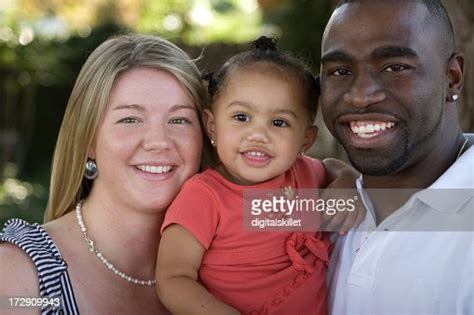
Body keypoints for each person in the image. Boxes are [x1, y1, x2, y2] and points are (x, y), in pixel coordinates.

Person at [0, 34, 209, 314]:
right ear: (88, 141)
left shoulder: (237, 267)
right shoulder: (19, 276)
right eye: (130, 119)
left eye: (179, 120)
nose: (159, 141)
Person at [156, 36, 362, 315]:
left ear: (305, 141)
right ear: (212, 126)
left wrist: (347, 181)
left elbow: (331, 166)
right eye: (241, 117)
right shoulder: (204, 196)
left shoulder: (305, 174)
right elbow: (173, 279)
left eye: (279, 122)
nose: (258, 134)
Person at [319, 1, 473, 314]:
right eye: (340, 71)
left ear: (452, 77)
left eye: (395, 67)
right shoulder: (311, 203)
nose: (360, 95)